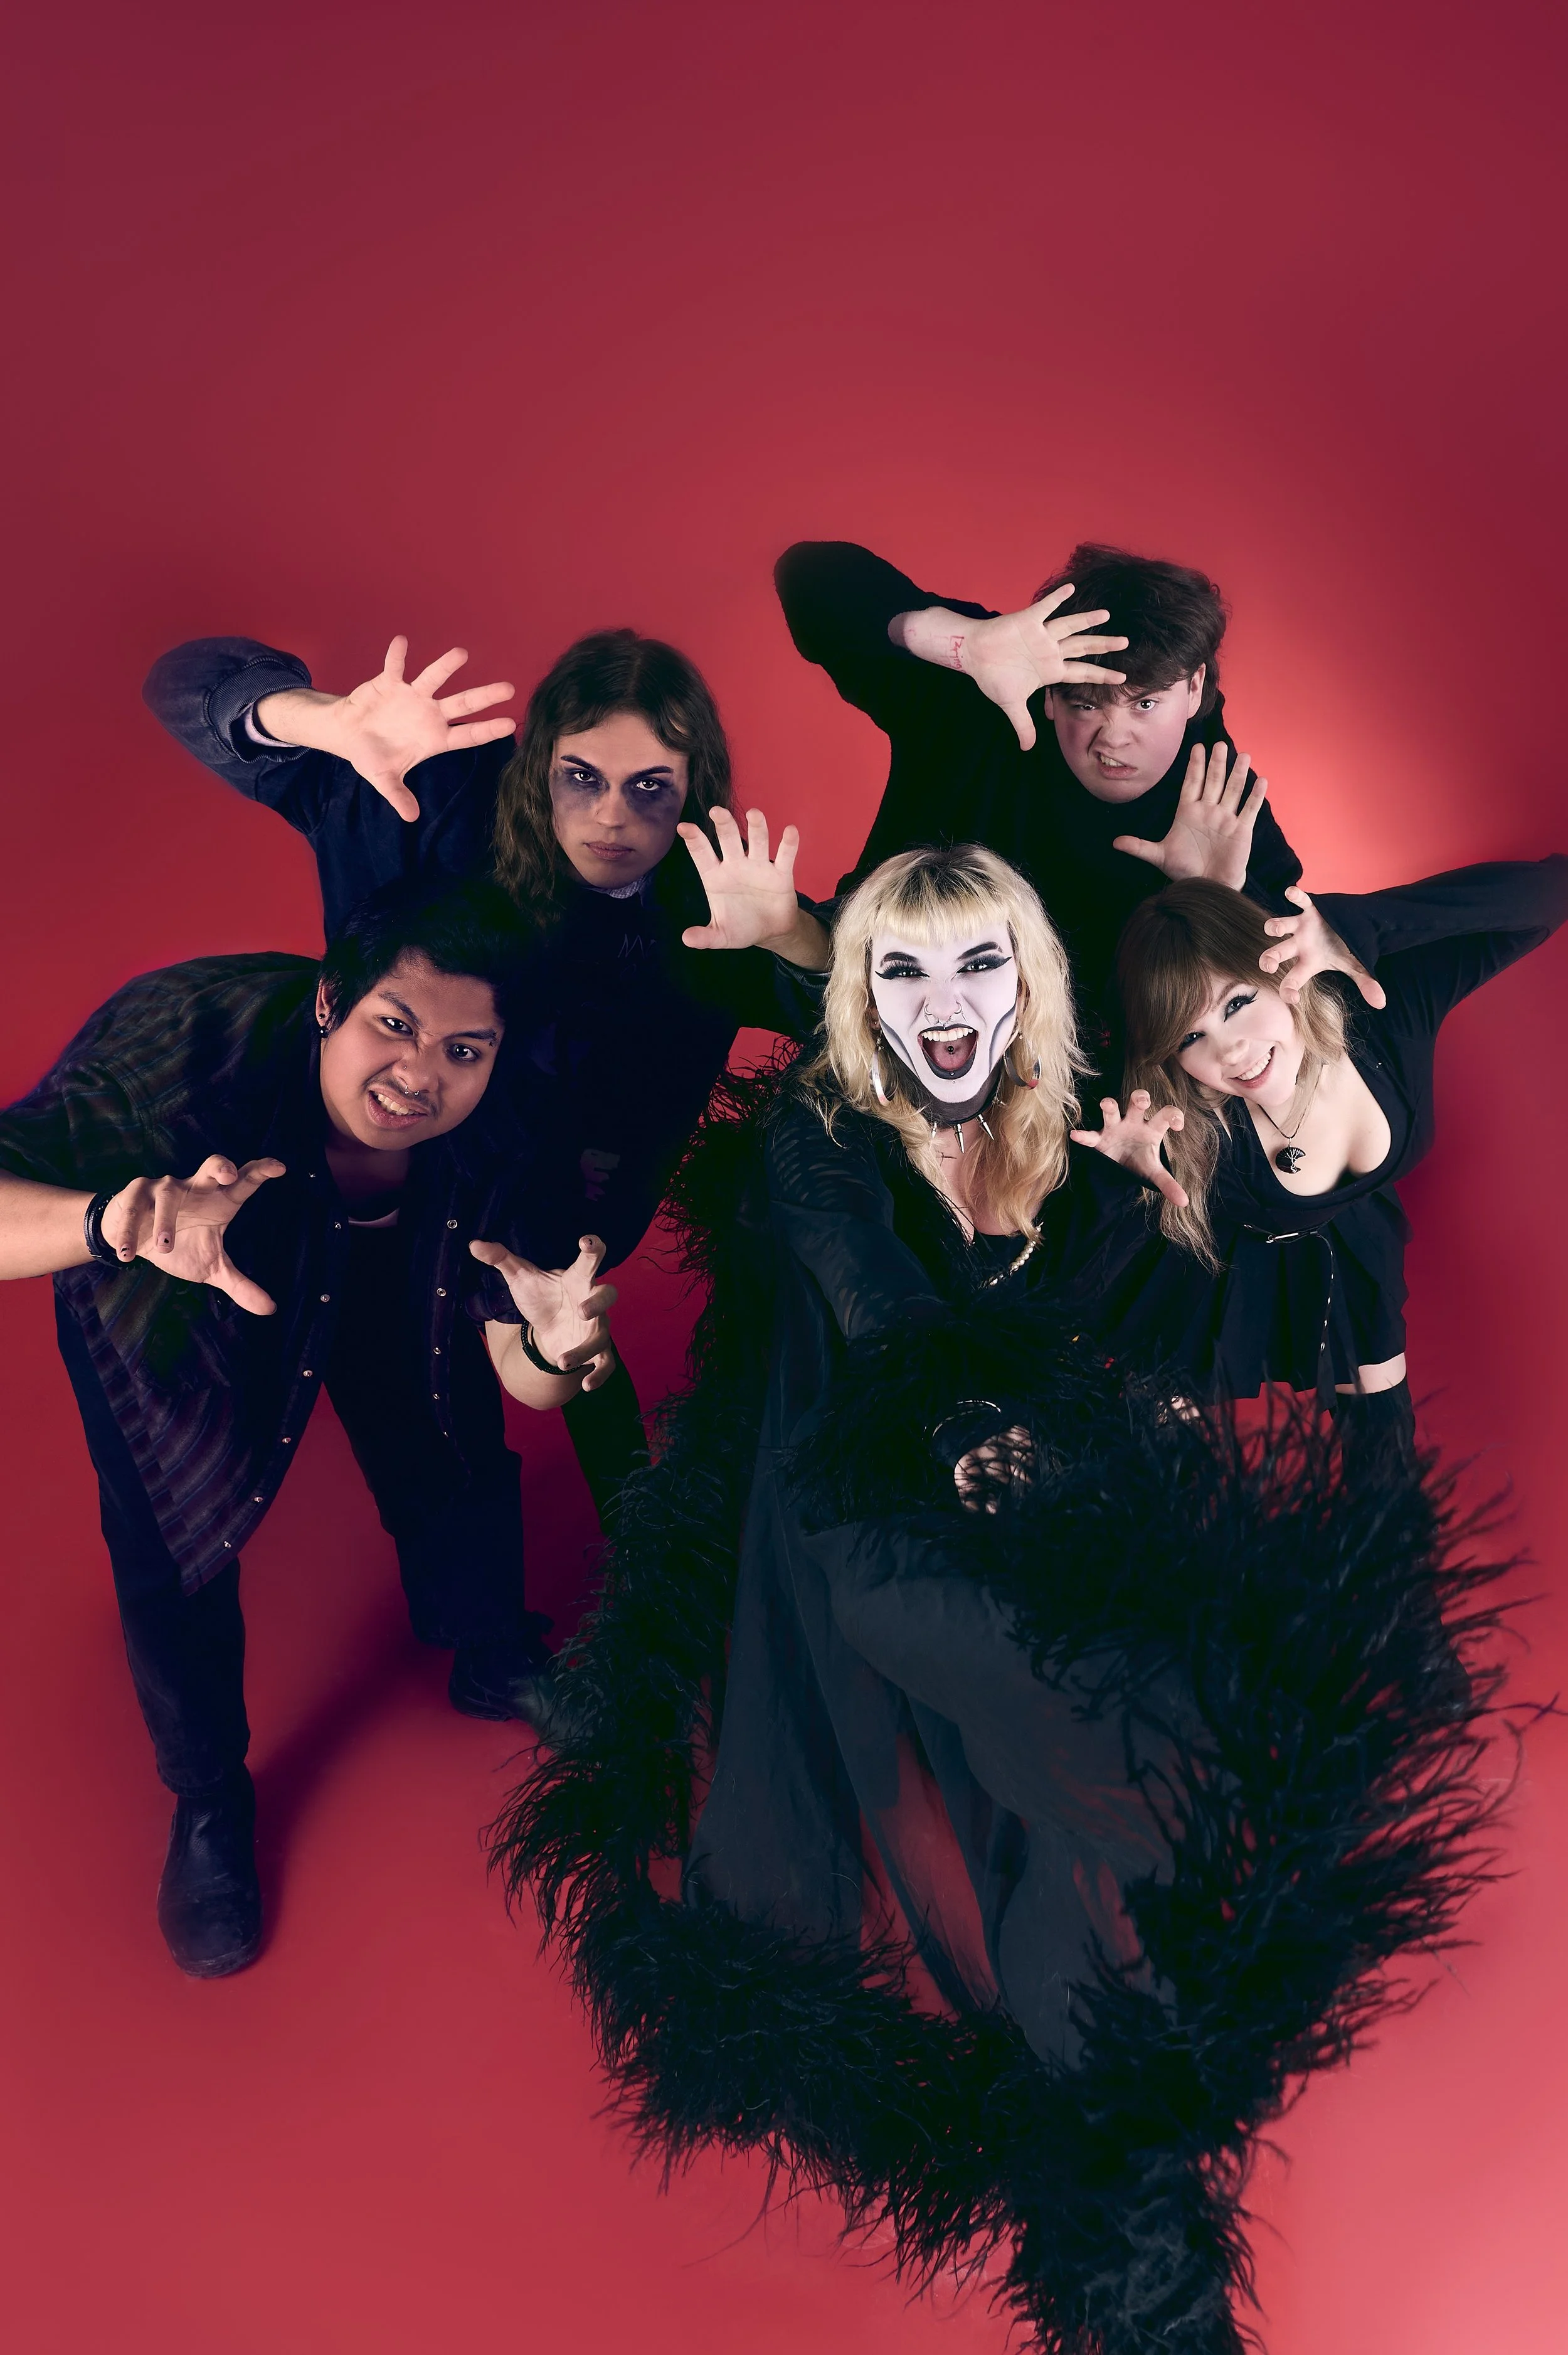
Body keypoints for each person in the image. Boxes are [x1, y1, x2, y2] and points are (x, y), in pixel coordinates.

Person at [491, 845, 1502, 2352]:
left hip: (1056, 1497)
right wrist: (969, 1427)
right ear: (860, 993)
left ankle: (1131, 2231)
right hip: (872, 1516)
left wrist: (1158, 1228)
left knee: (1106, 1811)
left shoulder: (1077, 1128)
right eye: (901, 969)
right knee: (1117, 1745)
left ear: (1025, 980)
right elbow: (871, 1296)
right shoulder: (821, 1133)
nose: (942, 1000)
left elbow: (1142, 1346)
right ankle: (1133, 2169)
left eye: (977, 962)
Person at [0, 878, 618, 1979]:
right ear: (332, 998)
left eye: (463, 1050)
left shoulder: (508, 1113)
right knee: (168, 1527)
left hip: (385, 1258)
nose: (419, 1075)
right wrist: (108, 1221)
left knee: (451, 1424)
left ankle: (489, 1649)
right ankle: (207, 1797)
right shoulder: (186, 1046)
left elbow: (521, 1375)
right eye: (395, 1023)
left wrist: (560, 1350)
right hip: (176, 1282)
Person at [143, 623, 830, 1511]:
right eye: (581, 777)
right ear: (537, 765)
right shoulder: (434, 797)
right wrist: (319, 719)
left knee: (564, 1355)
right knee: (411, 1448)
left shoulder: (716, 906)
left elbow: (862, 1009)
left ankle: (648, 1544)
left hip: (549, 1205)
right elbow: (181, 681)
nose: (611, 816)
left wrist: (795, 936)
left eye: (650, 786)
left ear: (692, 792)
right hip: (355, 1176)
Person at [1073, 858, 1568, 1461]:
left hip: (1353, 1242)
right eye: (1190, 1038)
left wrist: (1356, 924)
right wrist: (1116, 1183)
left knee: (1385, 1455)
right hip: (1209, 1268)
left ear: (1278, 969)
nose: (1232, 1053)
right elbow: (1069, 1277)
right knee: (1158, 1460)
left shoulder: (1382, 1009)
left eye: (1237, 1004)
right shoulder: (1172, 1118)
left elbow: (1548, 892)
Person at [774, 536, 1301, 1056]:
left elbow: (1289, 984)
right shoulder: (986, 688)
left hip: (1092, 1071)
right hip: (890, 1019)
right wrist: (964, 642)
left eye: (1144, 705)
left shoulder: (1214, 791)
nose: (1114, 739)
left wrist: (1216, 896)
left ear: (1194, 689)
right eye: (1086, 705)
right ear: (1049, 694)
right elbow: (810, 576)